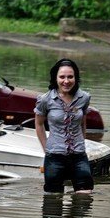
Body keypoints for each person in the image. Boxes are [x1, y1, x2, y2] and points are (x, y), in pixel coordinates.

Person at [34, 58, 93, 194]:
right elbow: (39, 124)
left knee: (85, 197)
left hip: (79, 156)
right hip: (54, 156)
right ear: (55, 78)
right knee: (53, 202)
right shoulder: (45, 100)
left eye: (70, 77)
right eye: (62, 77)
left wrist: (82, 142)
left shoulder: (84, 98)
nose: (66, 81)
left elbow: (83, 122)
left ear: (76, 77)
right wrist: (46, 149)